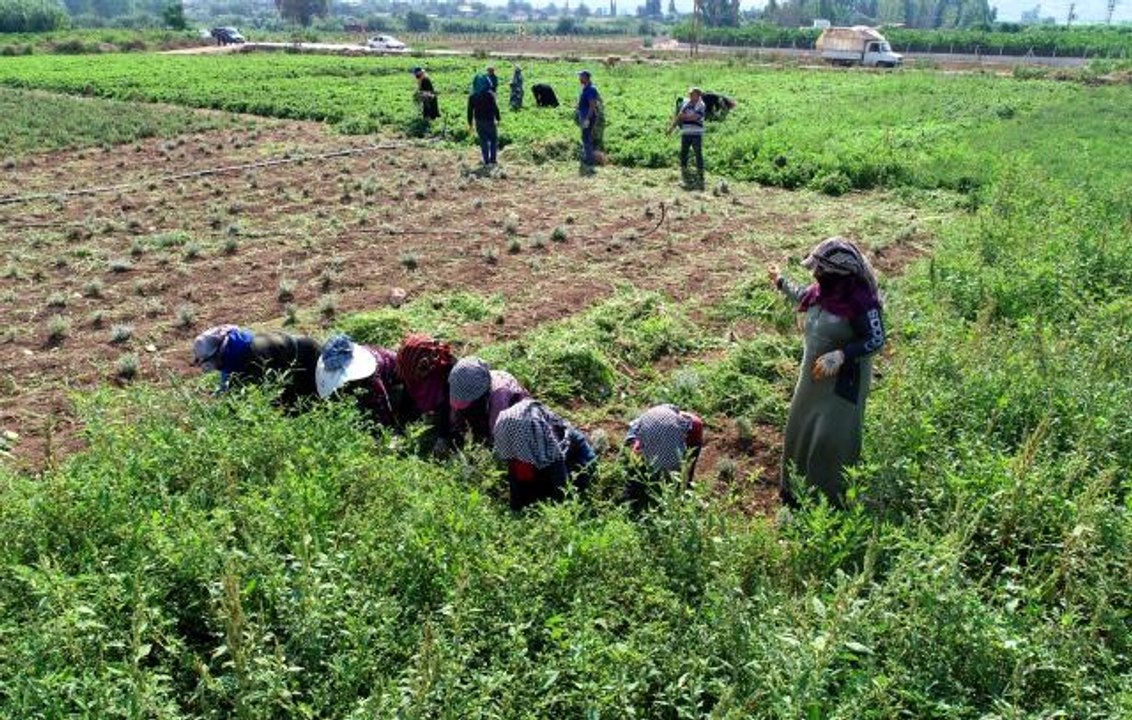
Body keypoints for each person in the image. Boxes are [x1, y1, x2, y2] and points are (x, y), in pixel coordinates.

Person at [769, 237, 886, 507]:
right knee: (800, 431)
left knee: (830, 440)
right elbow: (802, 295)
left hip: (842, 385)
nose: (816, 276)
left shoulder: (861, 303)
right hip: (811, 381)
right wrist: (780, 281)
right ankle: (794, 491)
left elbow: (876, 339)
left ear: (838, 275)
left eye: (820, 271)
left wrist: (843, 355)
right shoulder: (823, 293)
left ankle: (826, 502)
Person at [493, 399, 596, 511]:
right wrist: (516, 507)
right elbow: (514, 477)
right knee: (531, 484)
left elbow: (560, 478)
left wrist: (563, 507)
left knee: (585, 472)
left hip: (574, 451)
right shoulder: (509, 433)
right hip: (541, 452)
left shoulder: (543, 442)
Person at [192, 325, 321, 408]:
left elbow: (260, 395)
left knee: (313, 405)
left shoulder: (253, 356)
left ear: (219, 353)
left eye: (209, 362)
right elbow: (228, 383)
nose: (212, 367)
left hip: (307, 358)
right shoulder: (233, 355)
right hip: (286, 365)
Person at [622, 404, 705, 510]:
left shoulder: (644, 419)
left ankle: (632, 499)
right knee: (687, 466)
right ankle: (684, 487)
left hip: (655, 465)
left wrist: (634, 456)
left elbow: (631, 441)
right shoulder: (681, 419)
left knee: (638, 466)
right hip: (676, 463)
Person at [315, 334, 403, 430]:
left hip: (396, 379)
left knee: (394, 397)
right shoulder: (335, 363)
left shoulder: (372, 379)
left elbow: (383, 407)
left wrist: (385, 430)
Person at [448, 356, 529, 446]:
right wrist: (453, 428)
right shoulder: (461, 383)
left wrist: (488, 442)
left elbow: (497, 432)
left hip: (512, 410)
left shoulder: (499, 397)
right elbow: (455, 408)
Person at [396, 333, 456, 441]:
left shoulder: (447, 373)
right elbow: (406, 401)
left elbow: (446, 406)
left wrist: (442, 438)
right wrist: (399, 429)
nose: (412, 379)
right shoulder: (411, 369)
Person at [669, 86, 706, 186]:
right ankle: (684, 170)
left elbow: (695, 117)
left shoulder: (701, 105)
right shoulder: (687, 103)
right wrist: (671, 128)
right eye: (689, 93)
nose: (689, 95)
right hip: (686, 132)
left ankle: (700, 172)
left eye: (692, 94)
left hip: (696, 133)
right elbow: (679, 116)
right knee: (684, 152)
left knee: (698, 153)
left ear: (698, 95)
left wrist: (685, 117)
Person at [466, 73, 501, 167]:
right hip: (489, 120)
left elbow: (469, 111)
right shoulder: (489, 94)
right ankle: (493, 160)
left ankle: (486, 161)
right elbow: (495, 107)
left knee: (483, 140)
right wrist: (498, 118)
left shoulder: (472, 96)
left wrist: (470, 124)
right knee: (493, 139)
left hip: (479, 121)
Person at [576, 69, 604, 169]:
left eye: (581, 77)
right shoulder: (586, 88)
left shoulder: (590, 89)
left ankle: (590, 160)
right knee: (586, 137)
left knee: (586, 137)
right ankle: (589, 157)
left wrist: (587, 119)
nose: (579, 78)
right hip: (586, 116)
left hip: (588, 117)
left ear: (585, 78)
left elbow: (592, 105)